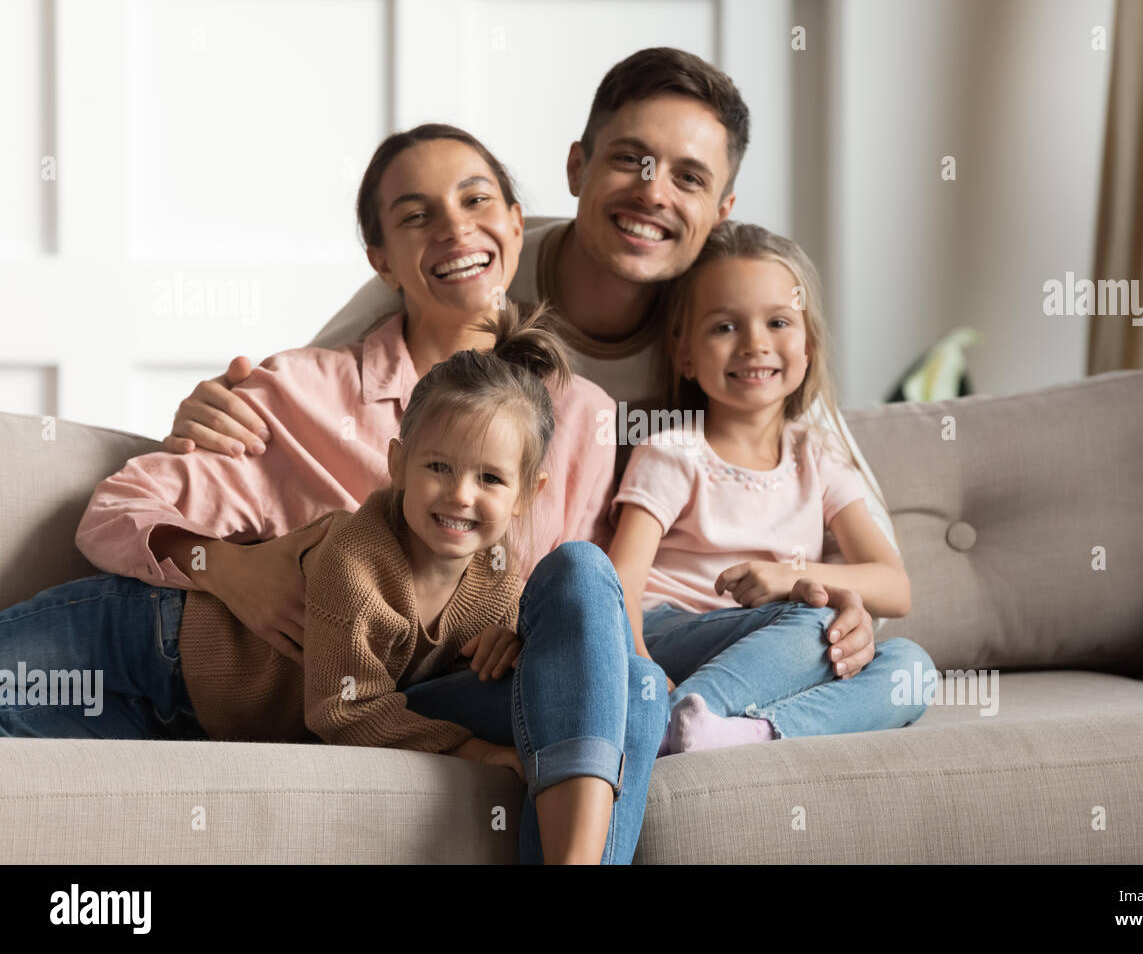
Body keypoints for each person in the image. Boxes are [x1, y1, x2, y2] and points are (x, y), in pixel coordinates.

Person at [3, 123, 666, 864]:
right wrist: (228, 568)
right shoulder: (303, 390)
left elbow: (573, 607)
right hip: (188, 653)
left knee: (634, 691)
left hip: (387, 696)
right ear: (380, 259)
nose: (454, 226)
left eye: (476, 199)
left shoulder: (585, 418)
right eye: (417, 215)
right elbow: (120, 508)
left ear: (518, 223)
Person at [164, 46, 890, 682]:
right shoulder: (479, 265)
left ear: (722, 207)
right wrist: (217, 411)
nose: (653, 190)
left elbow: (838, 502)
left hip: (652, 616)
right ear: (577, 166)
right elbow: (329, 389)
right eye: (629, 158)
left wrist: (831, 603)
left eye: (689, 178)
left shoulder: (730, 326)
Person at [607, 222, 935, 754]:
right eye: (724, 327)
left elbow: (894, 587)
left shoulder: (819, 456)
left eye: (778, 322)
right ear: (684, 352)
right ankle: (666, 720)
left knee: (912, 668)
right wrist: (639, 667)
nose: (755, 344)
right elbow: (619, 581)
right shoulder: (672, 450)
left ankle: (741, 732)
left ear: (808, 346)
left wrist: (789, 576)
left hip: (778, 643)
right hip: (674, 634)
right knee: (815, 625)